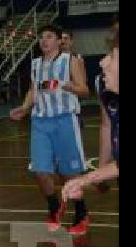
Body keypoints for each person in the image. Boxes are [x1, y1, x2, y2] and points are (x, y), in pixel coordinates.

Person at [61, 24, 118, 247]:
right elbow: (107, 125)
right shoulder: (106, 91)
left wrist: (94, 174)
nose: (104, 63)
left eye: (111, 56)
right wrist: (103, 169)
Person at [10, 24, 90, 234]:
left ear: (58, 41)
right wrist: (25, 107)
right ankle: (54, 206)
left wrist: (67, 85)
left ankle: (81, 212)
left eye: (49, 36)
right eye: (41, 37)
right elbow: (33, 90)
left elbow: (84, 90)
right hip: (40, 122)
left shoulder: (71, 61)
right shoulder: (35, 64)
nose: (44, 40)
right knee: (40, 171)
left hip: (65, 120)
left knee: (69, 173)